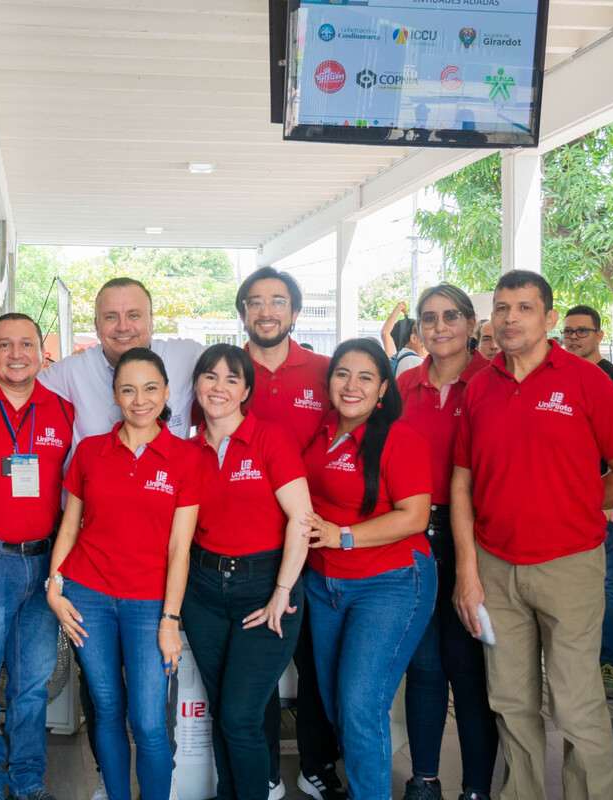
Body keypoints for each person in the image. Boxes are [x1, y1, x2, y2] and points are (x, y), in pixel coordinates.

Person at [451, 271, 613, 799]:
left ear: (547, 317)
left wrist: (569, 502)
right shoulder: (479, 387)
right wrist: (468, 572)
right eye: (502, 308)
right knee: (510, 702)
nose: (511, 318)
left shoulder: (587, 382)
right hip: (496, 567)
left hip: (570, 565)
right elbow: (463, 482)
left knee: (576, 702)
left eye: (523, 307)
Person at [38, 277, 202, 800]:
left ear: (167, 392)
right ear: (114, 395)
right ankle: (113, 791)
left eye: (151, 389)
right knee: (106, 710)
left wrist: (172, 619)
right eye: (128, 390)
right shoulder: (90, 453)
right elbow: (70, 525)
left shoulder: (186, 458)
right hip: (89, 596)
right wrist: (55, 586)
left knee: (149, 720)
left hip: (150, 603)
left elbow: (180, 548)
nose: (139, 399)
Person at [302, 338, 435, 799]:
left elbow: (415, 516)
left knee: (361, 706)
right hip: (325, 584)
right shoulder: (320, 433)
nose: (351, 385)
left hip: (390, 582)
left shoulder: (399, 439)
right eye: (342, 374)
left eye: (365, 377)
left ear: (383, 390)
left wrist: (344, 535)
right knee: (340, 705)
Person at [182, 343, 313, 800]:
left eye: (231, 379)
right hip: (203, 591)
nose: (219, 387)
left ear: (246, 390)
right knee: (224, 708)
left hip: (264, 587)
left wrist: (282, 590)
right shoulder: (189, 450)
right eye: (210, 376)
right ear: (196, 383)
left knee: (240, 714)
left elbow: (302, 518)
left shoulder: (268, 439)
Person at [235, 266, 344, 800]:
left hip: (316, 541)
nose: (267, 311)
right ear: (244, 314)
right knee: (254, 666)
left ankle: (317, 763)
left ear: (295, 313)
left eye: (278, 301)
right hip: (248, 546)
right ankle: (266, 771)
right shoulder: (227, 373)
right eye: (255, 302)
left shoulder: (325, 372)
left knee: (316, 664)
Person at [0, 313, 74, 800]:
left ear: (41, 351)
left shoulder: (63, 410)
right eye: (4, 345)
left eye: (26, 344)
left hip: (44, 565)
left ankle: (27, 779)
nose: (16, 354)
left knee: (31, 686)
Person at [397, 286, 497, 800]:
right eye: (429, 318)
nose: (440, 327)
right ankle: (425, 779)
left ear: (472, 323)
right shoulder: (403, 387)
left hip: (475, 541)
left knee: (470, 669)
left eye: (451, 316)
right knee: (424, 666)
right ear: (418, 328)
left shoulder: (492, 383)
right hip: (413, 539)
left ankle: (476, 786)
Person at [560, 304, 613, 698]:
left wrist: (606, 494)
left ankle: (609, 665)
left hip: (604, 499)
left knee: (609, 581)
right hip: (563, 503)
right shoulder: (558, 377)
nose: (573, 338)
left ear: (599, 334)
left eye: (582, 332)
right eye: (568, 332)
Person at [40, 277, 202, 442]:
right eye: (111, 317)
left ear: (151, 321)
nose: (123, 327)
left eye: (134, 315)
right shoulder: (72, 371)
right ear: (96, 325)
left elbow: (228, 368)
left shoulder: (186, 356)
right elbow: (18, 387)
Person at [382, 301, 426, 377]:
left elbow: (385, 333)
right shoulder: (415, 362)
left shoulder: (396, 357)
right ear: (413, 338)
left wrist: (399, 307)